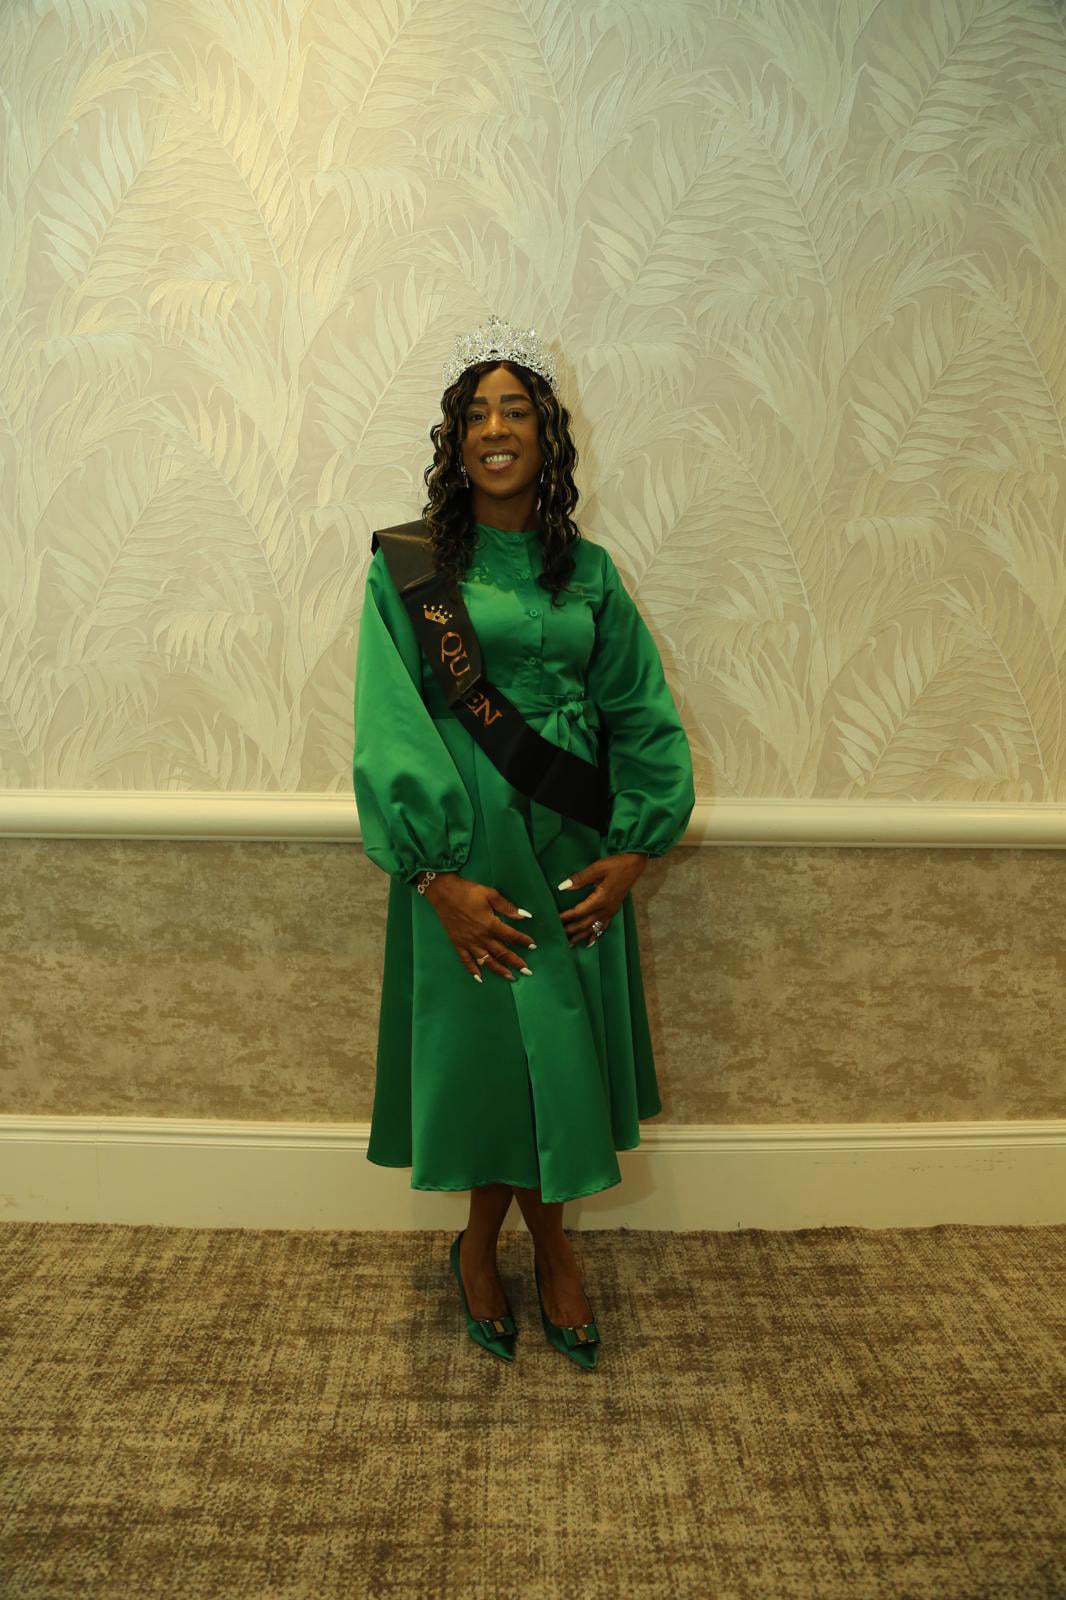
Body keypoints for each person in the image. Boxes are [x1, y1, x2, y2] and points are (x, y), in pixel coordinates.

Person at [353, 313, 695, 1368]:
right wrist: (433, 875)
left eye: (515, 411)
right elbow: (388, 720)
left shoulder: (589, 570)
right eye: (476, 414)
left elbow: (639, 710)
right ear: (455, 441)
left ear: (546, 435)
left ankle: (542, 1245)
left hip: (575, 842)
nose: (496, 429)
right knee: (494, 1059)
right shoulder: (409, 570)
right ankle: (488, 1246)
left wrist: (634, 848)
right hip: (467, 848)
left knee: (562, 1054)